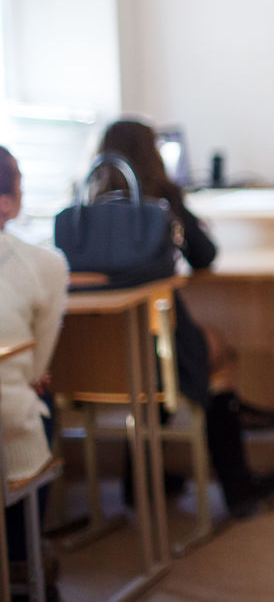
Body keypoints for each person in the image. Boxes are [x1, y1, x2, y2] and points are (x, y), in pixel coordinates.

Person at [93, 120, 274, 518]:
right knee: (213, 352)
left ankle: (139, 482)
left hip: (101, 363)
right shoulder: (163, 201)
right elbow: (205, 255)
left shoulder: (85, 210)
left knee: (154, 362)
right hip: (160, 351)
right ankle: (238, 485)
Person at [0, 146, 66, 589]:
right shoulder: (42, 264)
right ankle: (23, 560)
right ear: (9, 199)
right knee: (37, 397)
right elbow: (35, 365)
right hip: (7, 424)